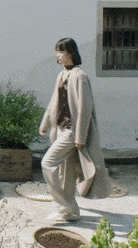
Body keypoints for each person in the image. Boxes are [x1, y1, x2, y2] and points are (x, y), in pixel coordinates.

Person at [39, 37, 111, 222]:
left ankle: (64, 205)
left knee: (47, 163)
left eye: (60, 52)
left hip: (72, 131)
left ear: (70, 53)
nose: (57, 55)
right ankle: (71, 213)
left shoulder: (80, 76)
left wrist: (80, 136)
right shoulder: (62, 74)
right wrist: (45, 123)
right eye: (57, 52)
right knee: (66, 173)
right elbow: (54, 102)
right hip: (61, 129)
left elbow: (85, 108)